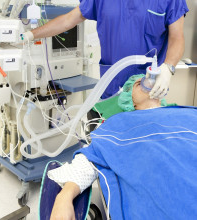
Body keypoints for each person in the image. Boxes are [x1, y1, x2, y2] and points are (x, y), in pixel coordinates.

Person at [45, 74, 197, 220]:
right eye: (139, 83)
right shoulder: (120, 123)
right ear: (130, 101)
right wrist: (64, 197)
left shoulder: (187, 112)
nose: (148, 82)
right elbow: (93, 158)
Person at [22, 0, 189, 100]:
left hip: (148, 88)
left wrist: (168, 67)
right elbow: (67, 20)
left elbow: (177, 37)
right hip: (111, 87)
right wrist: (30, 35)